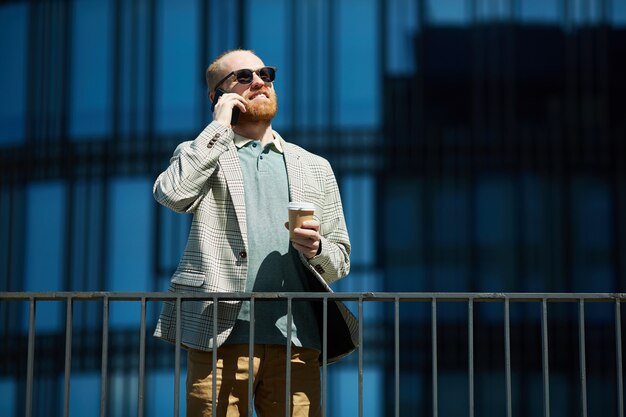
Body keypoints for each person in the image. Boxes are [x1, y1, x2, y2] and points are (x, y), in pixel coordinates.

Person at [153, 49, 358, 417]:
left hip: (296, 339)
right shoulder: (201, 152)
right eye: (244, 77)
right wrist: (218, 127)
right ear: (218, 96)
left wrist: (317, 249)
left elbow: (340, 259)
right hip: (218, 334)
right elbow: (173, 194)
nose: (259, 81)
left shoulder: (314, 166)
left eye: (264, 73)